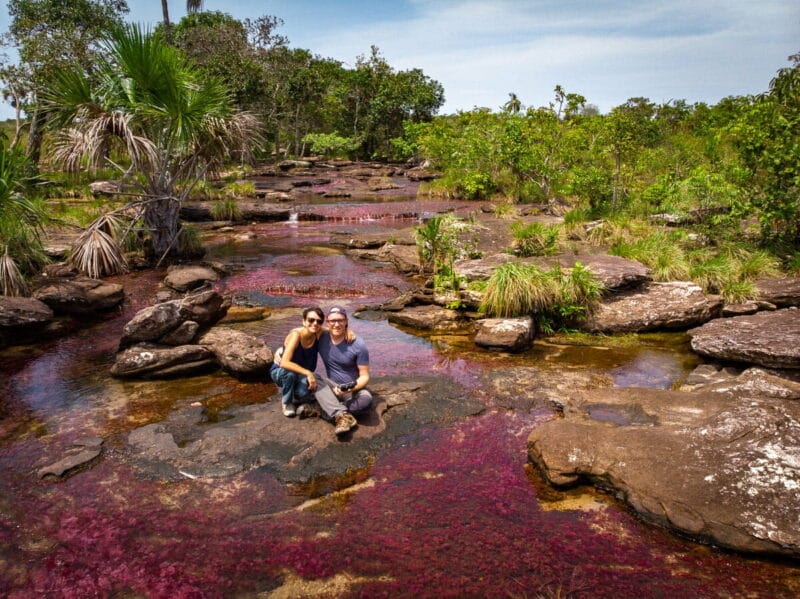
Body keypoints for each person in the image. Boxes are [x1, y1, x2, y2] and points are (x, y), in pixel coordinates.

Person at [313, 305, 372, 436]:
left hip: (353, 390)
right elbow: (301, 332)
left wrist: (350, 388)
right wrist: (281, 350)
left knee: (366, 401)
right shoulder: (321, 336)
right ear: (327, 323)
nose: (336, 324)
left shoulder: (358, 344)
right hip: (331, 388)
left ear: (346, 321)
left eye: (340, 320)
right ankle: (341, 415)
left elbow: (365, 376)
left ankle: (328, 410)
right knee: (311, 377)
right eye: (332, 321)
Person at [270, 306, 325, 417]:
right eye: (311, 320)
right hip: (281, 372)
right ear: (304, 321)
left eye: (319, 321)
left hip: (300, 375)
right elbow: (284, 363)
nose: (315, 323)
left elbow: (333, 328)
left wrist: (348, 331)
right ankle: (286, 402)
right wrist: (308, 373)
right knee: (290, 374)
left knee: (305, 393)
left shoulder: (317, 333)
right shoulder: (296, 335)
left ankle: (295, 394)